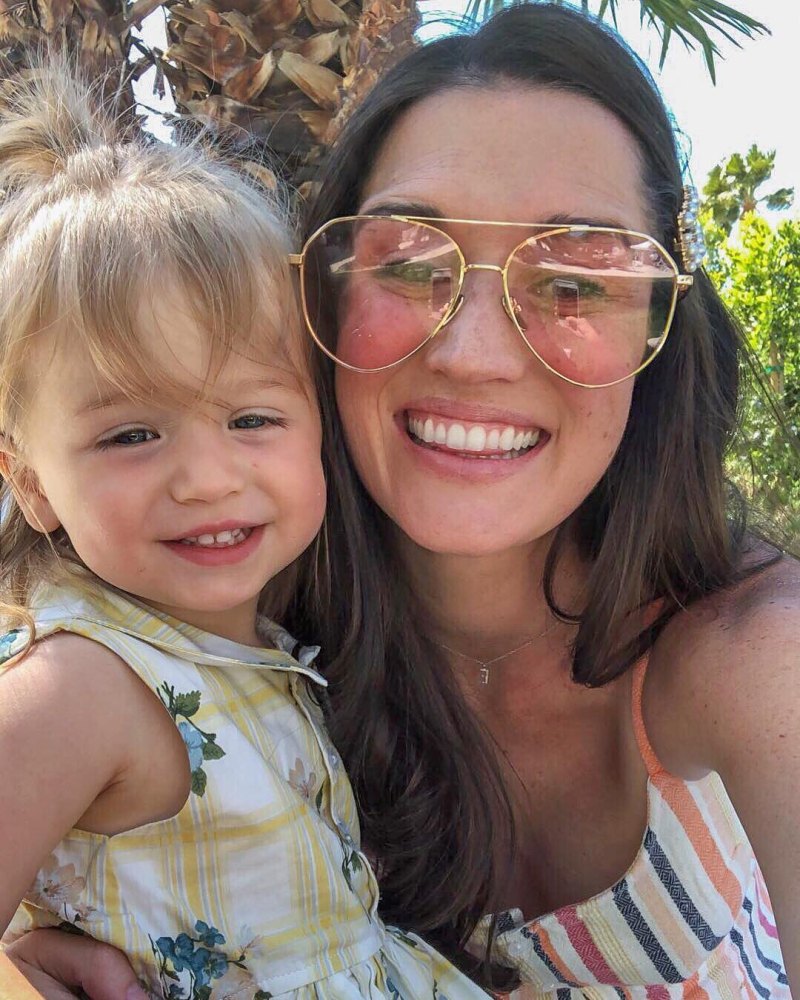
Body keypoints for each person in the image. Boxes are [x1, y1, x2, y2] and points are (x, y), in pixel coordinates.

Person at [4, 3, 799, 997]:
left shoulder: (757, 654)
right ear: (320, 305)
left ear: (662, 321)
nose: (472, 353)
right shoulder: (224, 643)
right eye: (411, 265)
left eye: (575, 278)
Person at [0, 58, 495, 1000]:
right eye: (131, 435)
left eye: (253, 418)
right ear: (31, 483)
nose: (208, 478)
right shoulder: (79, 688)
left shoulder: (251, 650)